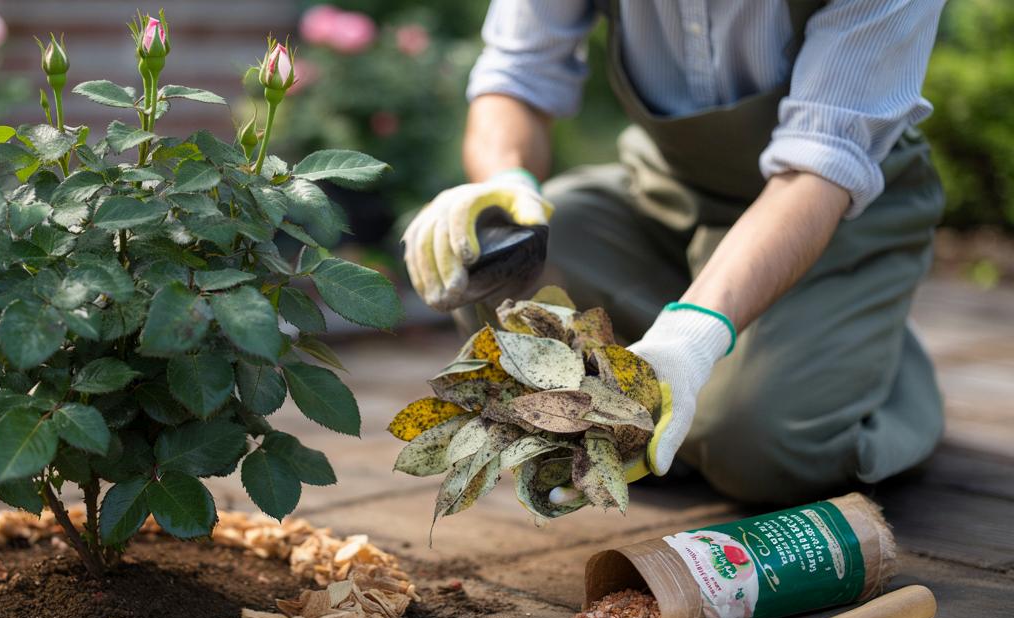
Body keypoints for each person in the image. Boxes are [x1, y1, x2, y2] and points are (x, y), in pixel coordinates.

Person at [401, 0, 947, 505]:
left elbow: (819, 168)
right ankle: (766, 346)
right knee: (503, 275)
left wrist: (691, 338)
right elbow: (516, 76)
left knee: (758, 449)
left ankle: (860, 339)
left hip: (828, 216)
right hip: (664, 198)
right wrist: (505, 183)